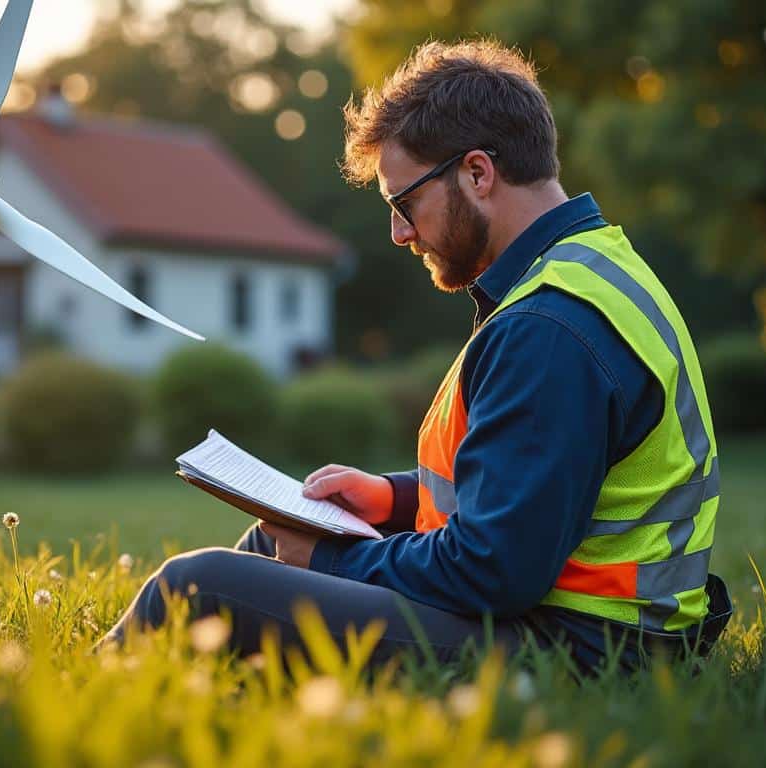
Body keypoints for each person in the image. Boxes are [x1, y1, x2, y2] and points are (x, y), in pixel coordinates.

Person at [102, 39, 731, 672]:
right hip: (585, 626)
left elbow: (494, 570)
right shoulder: (586, 273)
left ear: (478, 174)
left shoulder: (548, 327)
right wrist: (393, 499)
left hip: (581, 650)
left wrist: (330, 559)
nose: (400, 233)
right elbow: (543, 483)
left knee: (199, 588)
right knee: (272, 540)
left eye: (404, 204)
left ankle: (85, 696)